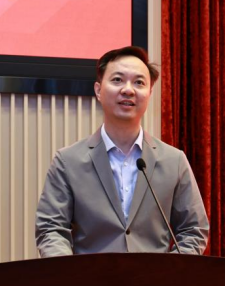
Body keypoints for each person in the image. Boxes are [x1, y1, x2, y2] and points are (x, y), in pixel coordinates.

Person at [35, 46, 209, 257]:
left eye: (139, 82)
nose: (128, 90)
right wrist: (72, 272)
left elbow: (193, 230)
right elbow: (50, 229)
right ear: (98, 90)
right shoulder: (67, 161)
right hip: (90, 277)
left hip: (155, 278)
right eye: (117, 80)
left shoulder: (174, 160)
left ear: (150, 93)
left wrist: (169, 272)